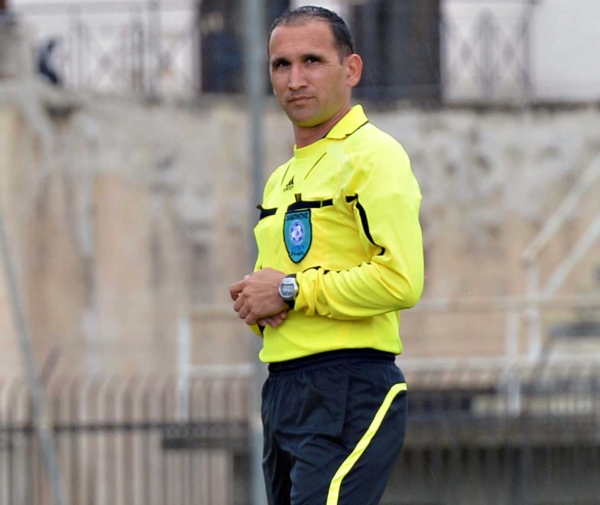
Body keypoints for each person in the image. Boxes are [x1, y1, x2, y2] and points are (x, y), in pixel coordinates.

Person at [230, 5, 424, 504]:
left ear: (351, 69)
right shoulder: (281, 179)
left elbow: (400, 280)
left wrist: (289, 289)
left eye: (312, 61)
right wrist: (256, 303)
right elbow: (281, 294)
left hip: (349, 384)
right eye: (281, 65)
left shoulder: (374, 156)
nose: (295, 80)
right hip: (282, 388)